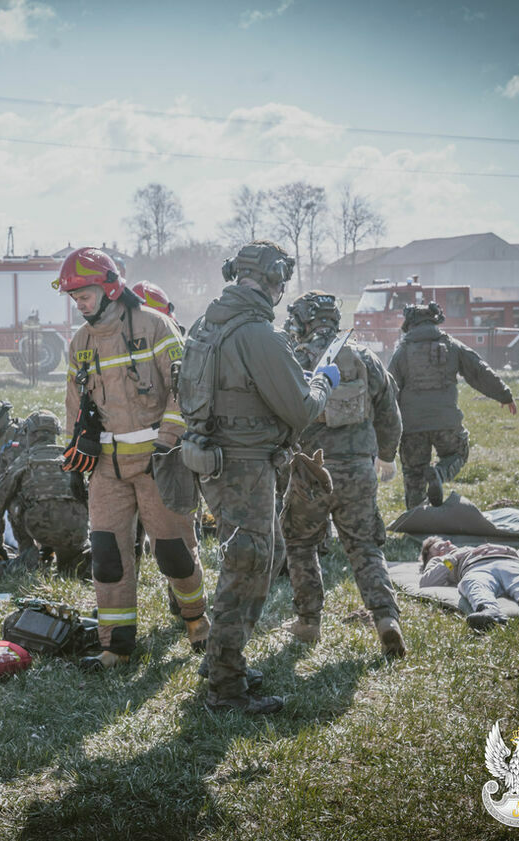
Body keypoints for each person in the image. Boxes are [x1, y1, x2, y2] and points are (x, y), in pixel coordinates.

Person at [182, 240, 335, 714]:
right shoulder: (258, 335)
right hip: (247, 467)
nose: (283, 289)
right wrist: (322, 380)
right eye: (281, 279)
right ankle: (226, 688)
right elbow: (302, 407)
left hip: (215, 462)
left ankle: (220, 661)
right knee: (247, 568)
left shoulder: (205, 325)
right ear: (271, 278)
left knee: (247, 560)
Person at [56, 246, 209, 670]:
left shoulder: (155, 326)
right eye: (74, 299)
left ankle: (196, 620)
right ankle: (116, 647)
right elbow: (74, 407)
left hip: (159, 461)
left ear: (108, 287)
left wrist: (169, 441)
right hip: (106, 468)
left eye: (84, 296)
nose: (79, 305)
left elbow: (184, 391)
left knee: (173, 552)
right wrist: (74, 459)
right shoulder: (80, 344)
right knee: (107, 557)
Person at [281, 290, 405, 655]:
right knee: (365, 546)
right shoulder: (365, 358)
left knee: (301, 544)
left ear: (302, 322)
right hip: (358, 471)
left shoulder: (293, 358)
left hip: (311, 473)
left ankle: (308, 622)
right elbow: (390, 413)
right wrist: (386, 455)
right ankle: (385, 618)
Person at [388, 302, 517, 508]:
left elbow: (389, 390)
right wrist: (504, 394)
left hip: (412, 427)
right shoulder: (452, 346)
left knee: (413, 474)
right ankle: (440, 473)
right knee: (458, 453)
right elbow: (478, 370)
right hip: (446, 423)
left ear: (409, 324)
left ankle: (415, 523)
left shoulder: (401, 352)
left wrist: (384, 428)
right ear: (434, 321)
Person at [0, 410, 90, 576]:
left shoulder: (25, 459)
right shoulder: (71, 459)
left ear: (29, 434)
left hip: (40, 527)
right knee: (69, 568)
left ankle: (28, 554)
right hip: (76, 529)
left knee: (14, 501)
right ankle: (76, 560)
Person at [417, 537, 519, 631]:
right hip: (475, 569)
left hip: (509, 563)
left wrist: (507, 550)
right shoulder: (443, 561)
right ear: (433, 556)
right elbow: (426, 581)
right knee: (472, 583)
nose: (448, 543)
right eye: (440, 546)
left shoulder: (475, 548)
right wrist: (452, 559)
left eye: (446, 542)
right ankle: (490, 613)